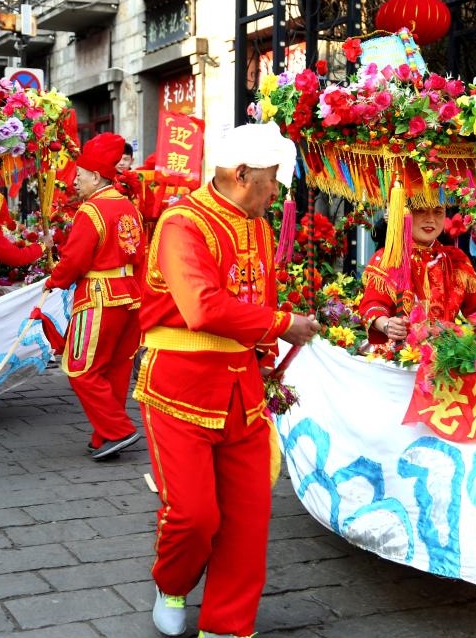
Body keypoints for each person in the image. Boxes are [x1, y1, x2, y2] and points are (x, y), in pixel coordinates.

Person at [133, 123, 320, 638]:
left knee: (247, 517)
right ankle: (171, 583)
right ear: (242, 175)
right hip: (179, 388)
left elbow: (256, 298)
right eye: (272, 178)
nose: (277, 190)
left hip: (243, 387)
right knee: (193, 515)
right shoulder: (182, 224)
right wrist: (283, 325)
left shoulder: (256, 226)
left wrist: (267, 358)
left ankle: (226, 627)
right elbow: (201, 307)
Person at [43, 133, 145, 460]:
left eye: (80, 176)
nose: (74, 182)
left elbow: (74, 261)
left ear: (97, 177)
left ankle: (118, 430)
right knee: (114, 368)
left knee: (80, 367)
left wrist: (54, 282)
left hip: (100, 296)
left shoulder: (92, 210)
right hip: (129, 296)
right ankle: (105, 436)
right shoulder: (127, 206)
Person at [360, 204, 476, 345]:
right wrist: (387, 325)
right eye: (421, 211)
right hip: (400, 356)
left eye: (438, 211)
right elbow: (373, 305)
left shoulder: (455, 259)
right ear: (405, 213)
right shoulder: (390, 257)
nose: (431, 219)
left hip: (445, 355)